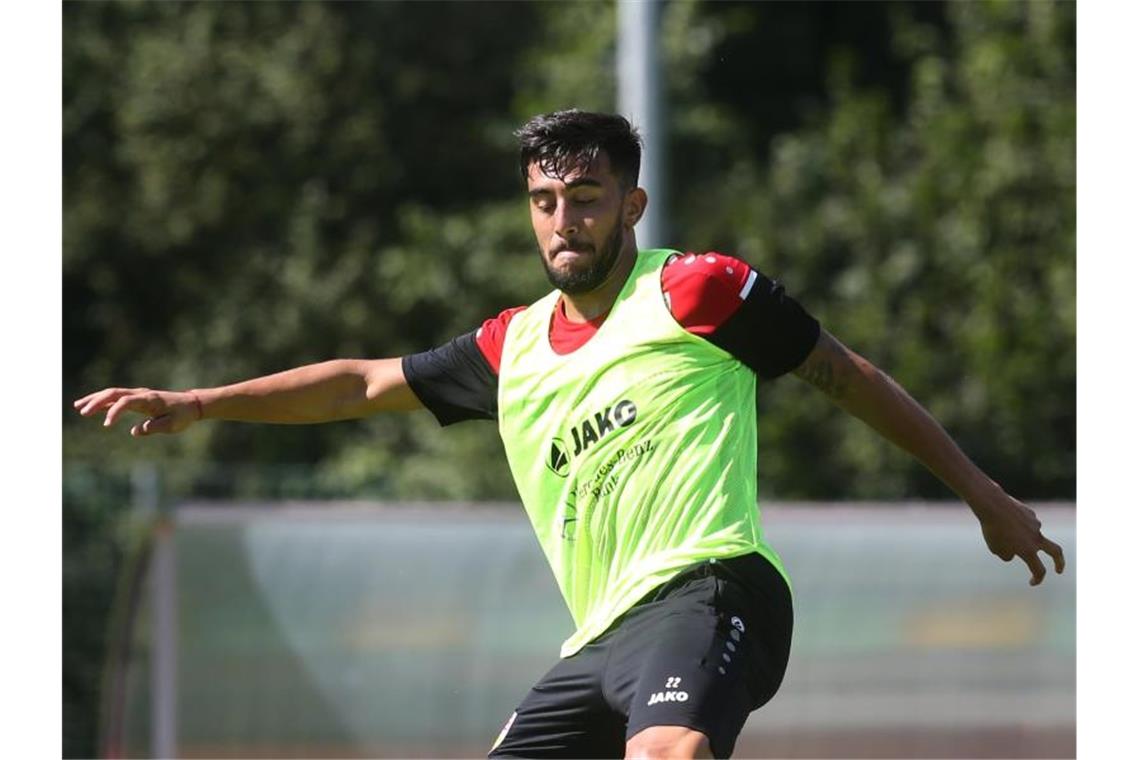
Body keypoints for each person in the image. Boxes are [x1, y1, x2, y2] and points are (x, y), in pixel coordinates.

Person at [74, 110, 1065, 760]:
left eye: (586, 200)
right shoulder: (511, 348)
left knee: (667, 756)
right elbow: (362, 383)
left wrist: (980, 491)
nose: (564, 221)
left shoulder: (694, 291)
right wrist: (202, 400)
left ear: (630, 205)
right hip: (594, 643)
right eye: (546, 202)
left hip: (711, 584)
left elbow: (845, 376)